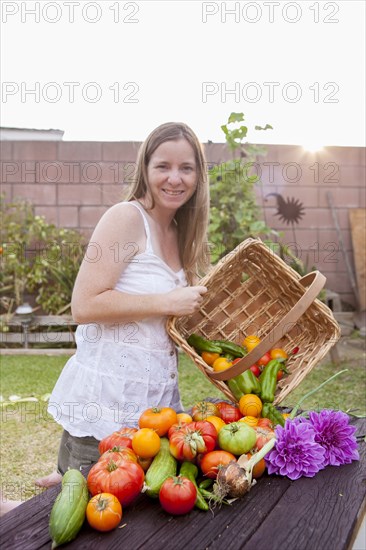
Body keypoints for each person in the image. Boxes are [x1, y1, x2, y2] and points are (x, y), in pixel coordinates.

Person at [35, 122, 210, 487]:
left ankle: (59, 478)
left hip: (153, 407)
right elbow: (84, 305)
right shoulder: (126, 218)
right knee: (83, 516)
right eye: (163, 166)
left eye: (186, 168)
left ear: (199, 176)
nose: (174, 178)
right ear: (145, 169)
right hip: (107, 404)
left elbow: (171, 320)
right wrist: (167, 301)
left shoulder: (181, 233)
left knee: (130, 513)